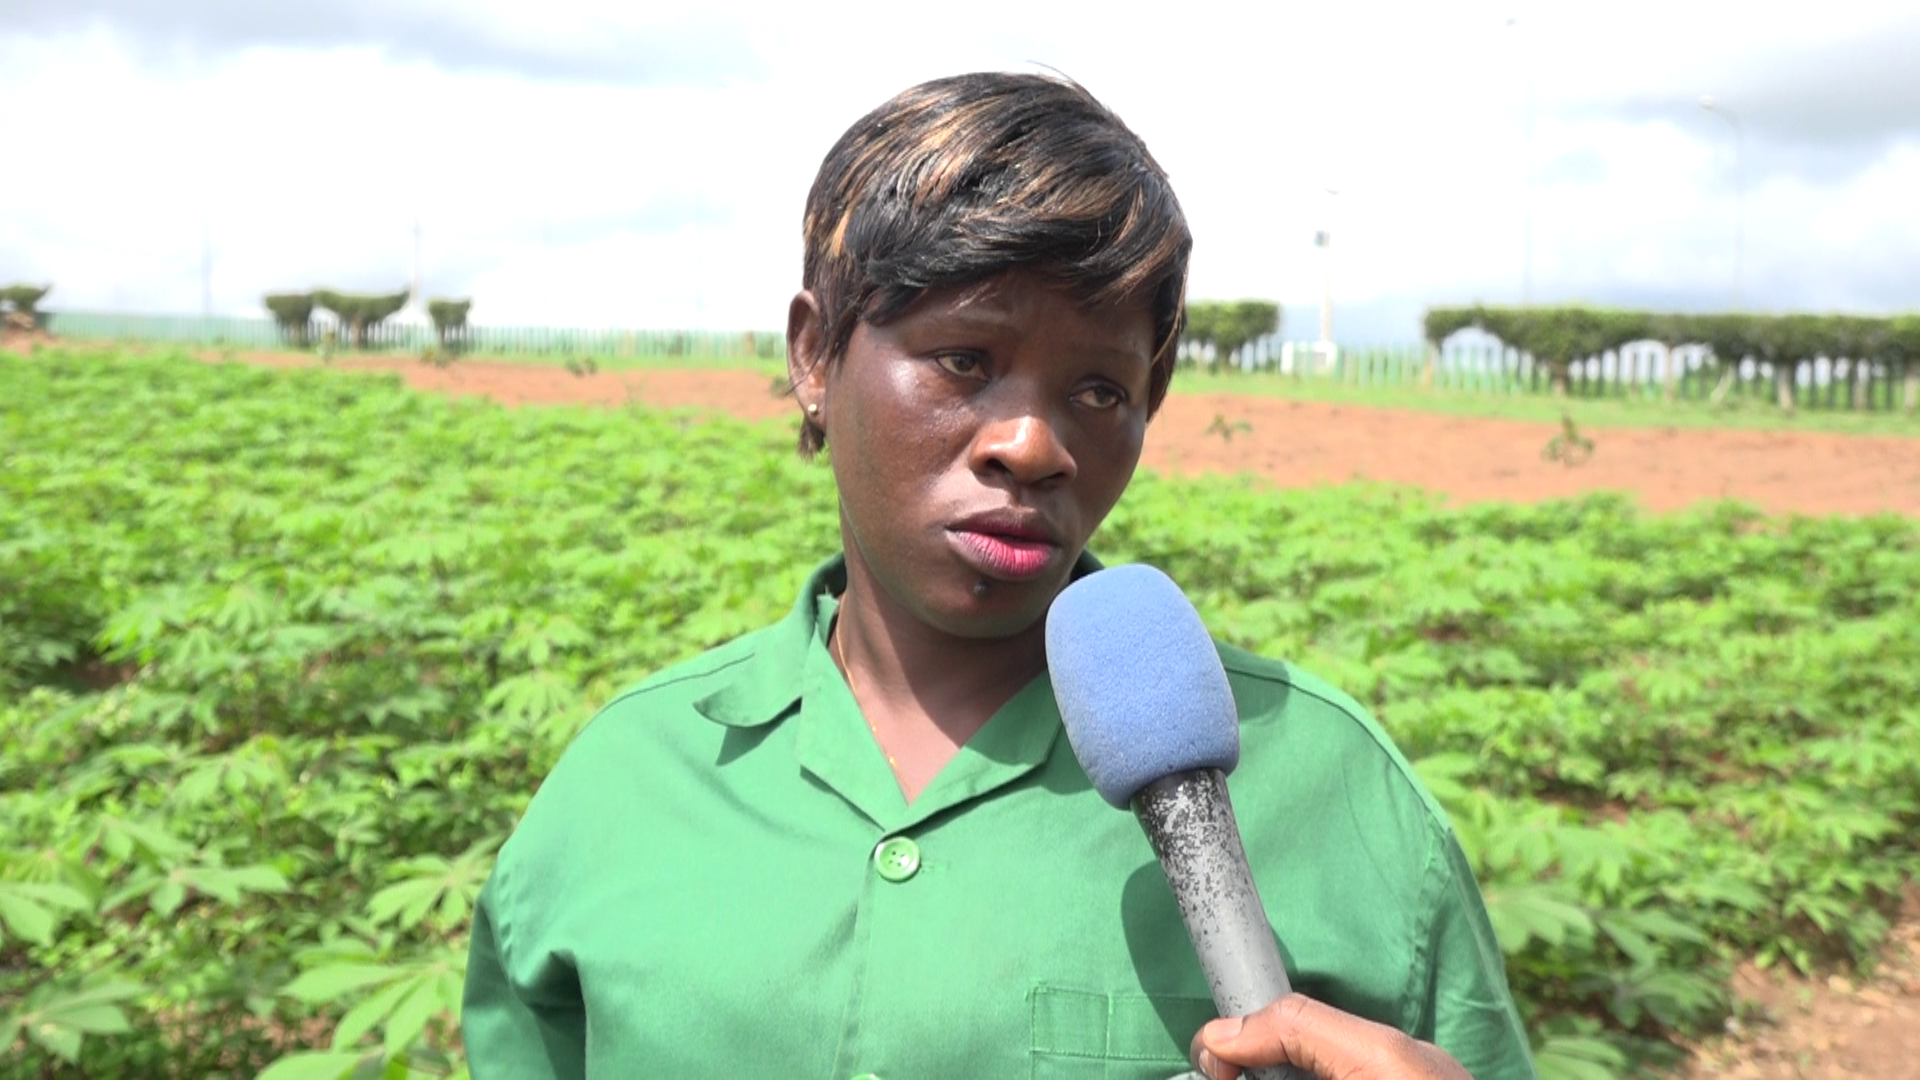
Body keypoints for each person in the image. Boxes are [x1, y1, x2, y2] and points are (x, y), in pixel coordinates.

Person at [462, 72, 1537, 1080]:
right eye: (964, 360)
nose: (1032, 444)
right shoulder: (624, 784)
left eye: (1100, 391)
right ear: (813, 357)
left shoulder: (1324, 785)